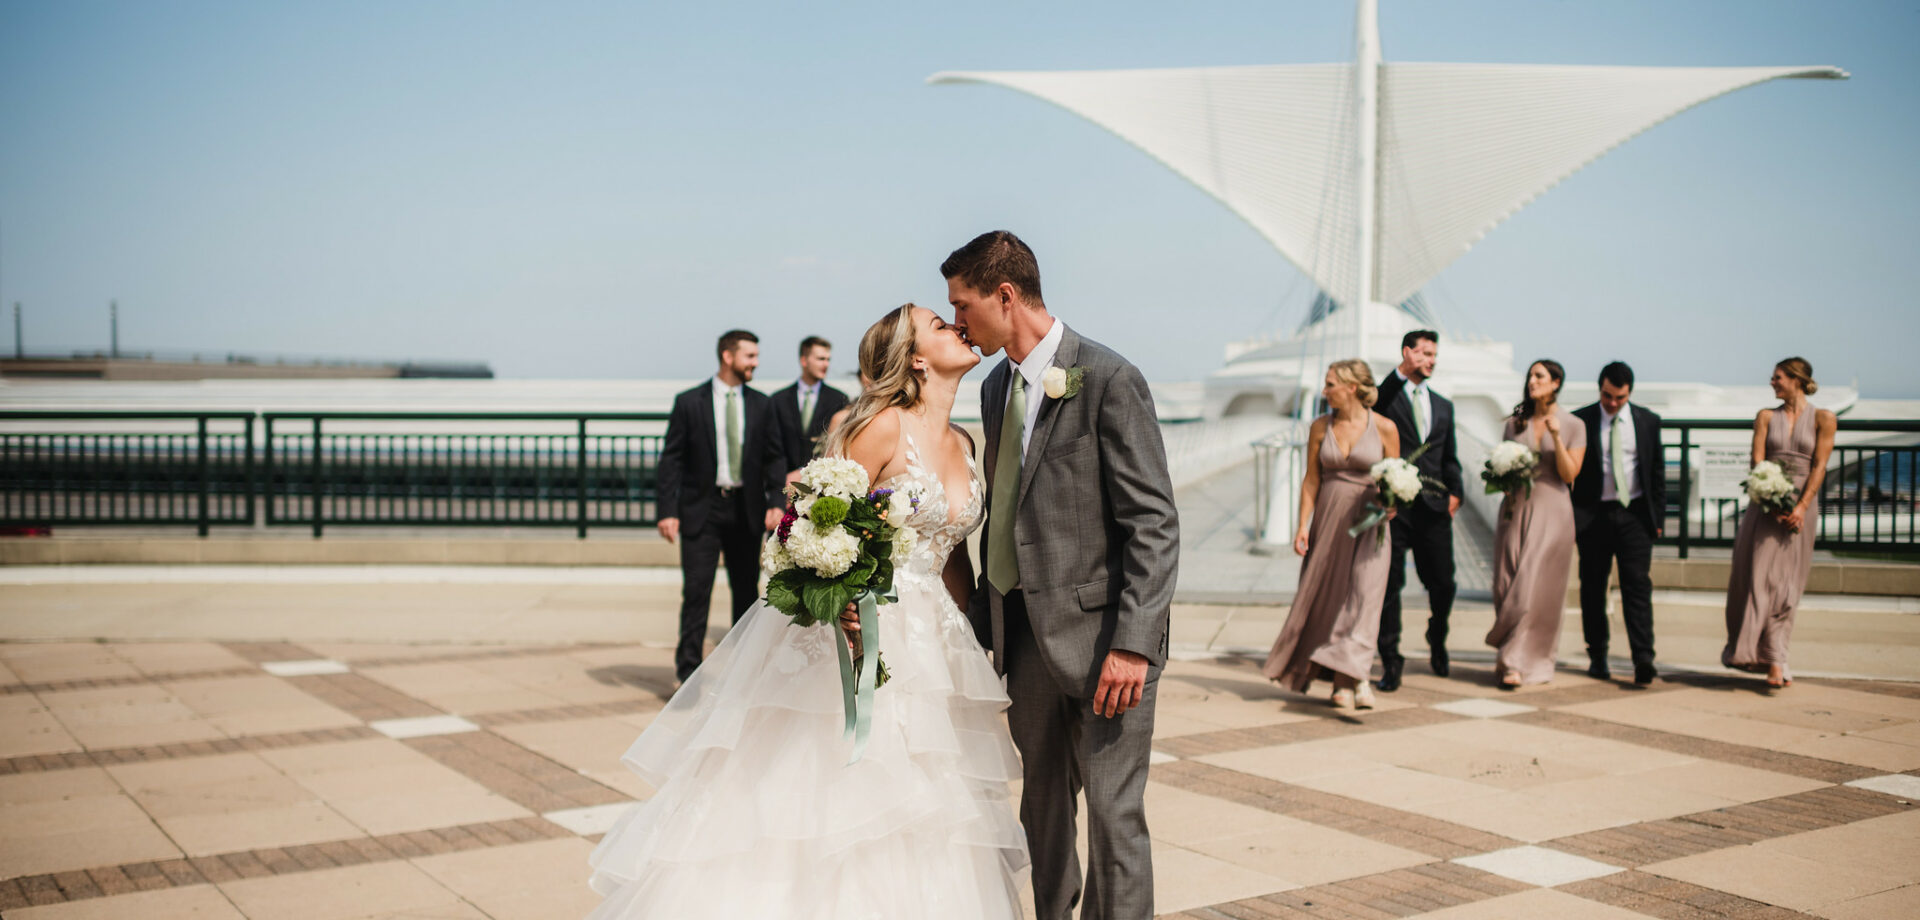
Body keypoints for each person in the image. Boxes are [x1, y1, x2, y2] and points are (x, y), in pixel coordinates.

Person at [587, 305, 1028, 918]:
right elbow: (813, 528)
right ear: (917, 357)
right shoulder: (876, 426)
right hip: (866, 627)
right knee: (844, 789)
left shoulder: (964, 440)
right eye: (937, 322)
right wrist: (843, 603)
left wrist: (975, 633)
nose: (957, 324)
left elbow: (951, 555)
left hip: (938, 643)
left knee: (934, 798)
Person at [948, 230, 1178, 920]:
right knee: (1042, 808)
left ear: (1005, 295)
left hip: (1109, 640)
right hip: (1021, 634)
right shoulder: (994, 389)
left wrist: (1134, 643)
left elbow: (1154, 523)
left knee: (1114, 818)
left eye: (963, 305)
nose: (958, 321)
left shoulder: (1109, 378)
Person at [1263, 359, 1399, 710]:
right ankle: (1346, 681)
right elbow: (1311, 479)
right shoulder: (1320, 427)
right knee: (1327, 599)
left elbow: (1396, 477)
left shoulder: (1385, 428)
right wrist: (1302, 526)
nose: (1324, 391)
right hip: (1329, 520)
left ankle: (1353, 677)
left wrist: (1393, 502)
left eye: (1329, 384)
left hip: (1371, 525)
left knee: (1364, 598)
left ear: (1352, 387)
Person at [654, 330, 787, 684]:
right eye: (750, 356)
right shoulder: (689, 402)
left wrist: (776, 501)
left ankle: (743, 677)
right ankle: (688, 676)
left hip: (745, 511)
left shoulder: (762, 404)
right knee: (696, 592)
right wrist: (667, 510)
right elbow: (672, 460)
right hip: (702, 510)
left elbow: (775, 459)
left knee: (746, 595)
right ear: (728, 357)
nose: (755, 363)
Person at [1722, 357, 1835, 689]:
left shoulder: (1825, 419)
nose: (1772, 383)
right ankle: (1759, 654)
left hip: (1801, 509)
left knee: (1787, 586)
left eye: (1778, 378)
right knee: (1757, 581)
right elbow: (1757, 461)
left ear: (1797, 380)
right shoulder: (1765, 417)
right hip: (1765, 508)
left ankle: (1777, 658)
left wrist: (1800, 507)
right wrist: (1772, 503)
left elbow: (1820, 466)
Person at [1373, 330, 1465, 691]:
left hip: (1435, 507)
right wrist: (1398, 373)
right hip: (1396, 508)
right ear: (1407, 353)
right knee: (1390, 586)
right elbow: (1375, 404)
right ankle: (1391, 660)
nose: (1431, 360)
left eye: (1434, 355)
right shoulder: (1390, 397)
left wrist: (1456, 492)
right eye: (1424, 353)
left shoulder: (1444, 405)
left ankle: (1437, 638)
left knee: (1443, 583)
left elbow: (1449, 456)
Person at [1487, 359, 1586, 688]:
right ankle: (1509, 652)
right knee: (1507, 584)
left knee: (1534, 589)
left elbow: (1569, 474)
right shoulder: (1515, 423)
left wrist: (1556, 438)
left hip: (1552, 512)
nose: (1532, 381)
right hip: (1515, 508)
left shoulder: (1573, 424)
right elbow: (1502, 466)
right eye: (1530, 375)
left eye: (1539, 376)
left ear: (1556, 382)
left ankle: (1518, 662)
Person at [1572, 361, 1666, 685]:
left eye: (1620, 398)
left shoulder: (1648, 421)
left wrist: (1658, 520)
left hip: (1635, 516)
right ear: (1600, 389)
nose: (1612, 403)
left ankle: (1643, 658)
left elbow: (1656, 473)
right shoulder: (1581, 419)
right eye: (1607, 396)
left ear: (1630, 394)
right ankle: (1597, 655)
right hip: (1592, 517)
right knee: (1593, 589)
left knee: (1637, 586)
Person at [770, 335, 851, 472]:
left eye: (828, 359)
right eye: (821, 359)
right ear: (804, 360)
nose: (826, 364)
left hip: (822, 482)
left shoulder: (839, 399)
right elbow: (773, 447)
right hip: (783, 483)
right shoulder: (778, 400)